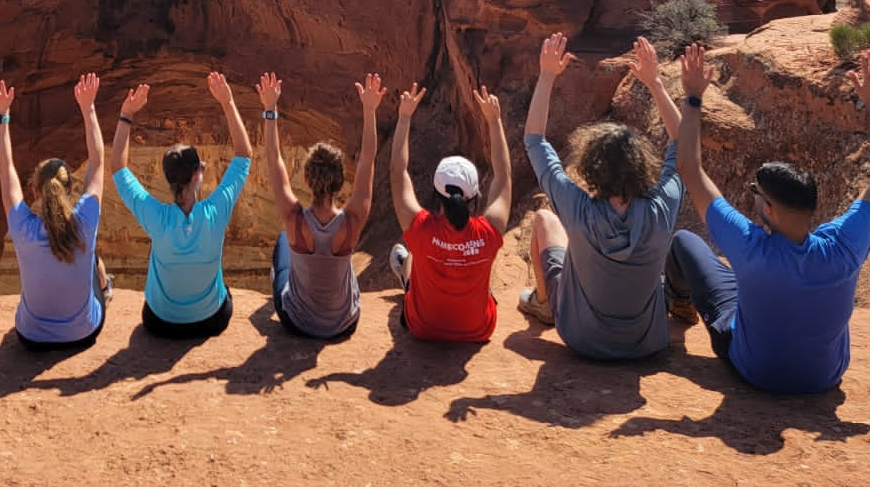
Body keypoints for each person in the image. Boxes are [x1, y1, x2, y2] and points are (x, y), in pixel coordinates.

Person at [665, 45, 870, 393]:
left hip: (756, 373)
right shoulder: (845, 245)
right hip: (824, 379)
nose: (752, 197)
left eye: (755, 192)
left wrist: (694, 97)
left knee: (684, 242)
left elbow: (689, 169)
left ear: (769, 208)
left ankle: (680, 303)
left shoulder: (749, 245)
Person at [518, 33, 685, 359]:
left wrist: (547, 75)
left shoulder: (578, 208)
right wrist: (655, 84)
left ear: (591, 167)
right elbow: (684, 144)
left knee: (544, 220)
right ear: (641, 163)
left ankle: (543, 304)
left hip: (581, 339)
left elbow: (534, 140)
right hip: (646, 341)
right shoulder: (660, 208)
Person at [111, 72, 253, 338]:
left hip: (161, 323)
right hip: (211, 320)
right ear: (199, 174)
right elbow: (244, 155)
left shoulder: (156, 217)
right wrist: (227, 102)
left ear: (167, 177)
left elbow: (118, 167)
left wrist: (126, 113)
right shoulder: (216, 211)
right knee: (226, 295)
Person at [0, 72, 111, 351]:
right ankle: (107, 289)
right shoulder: (84, 221)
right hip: (82, 335)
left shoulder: (22, 226)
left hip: (31, 338)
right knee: (91, 260)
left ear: (34, 191)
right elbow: (98, 162)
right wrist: (88, 107)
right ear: (68, 191)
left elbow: (5, 169)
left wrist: (1, 115)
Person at [258, 70, 386, 340]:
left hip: (298, 323)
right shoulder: (353, 220)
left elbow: (274, 160)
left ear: (305, 179)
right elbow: (367, 160)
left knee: (283, 241)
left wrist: (270, 109)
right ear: (342, 181)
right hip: (344, 323)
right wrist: (370, 110)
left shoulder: (294, 219)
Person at [389, 77, 512, 343]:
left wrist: (404, 118)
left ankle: (405, 274)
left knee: (414, 254)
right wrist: (494, 120)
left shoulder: (420, 228)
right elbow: (503, 176)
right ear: (474, 196)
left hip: (423, 328)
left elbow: (397, 172)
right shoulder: (489, 232)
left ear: (436, 193)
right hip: (477, 330)